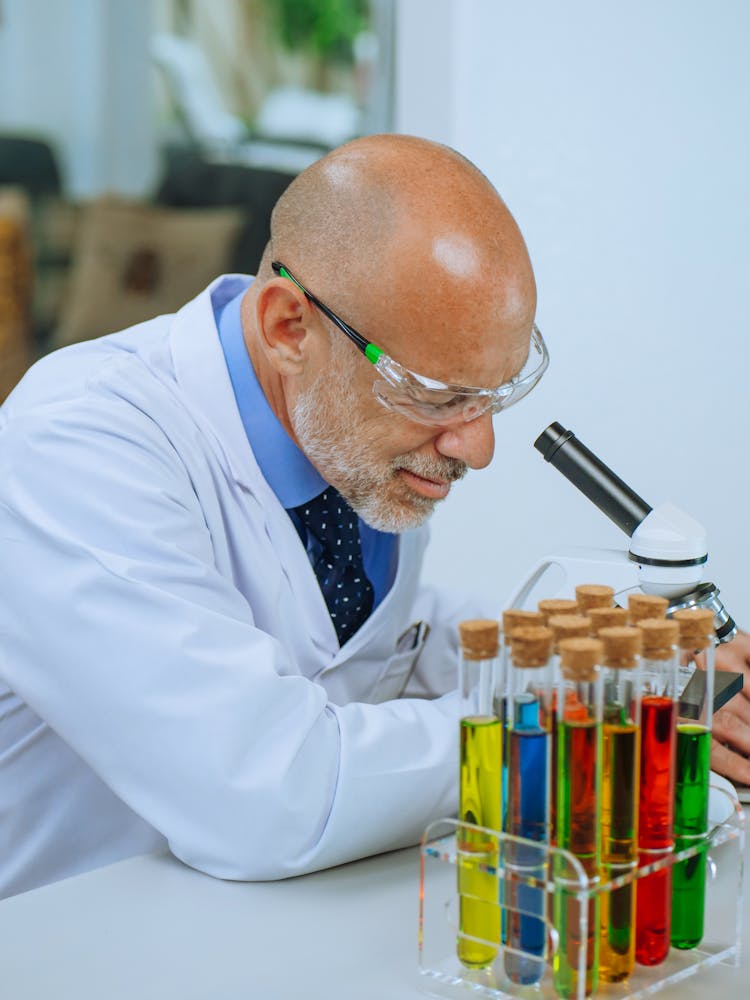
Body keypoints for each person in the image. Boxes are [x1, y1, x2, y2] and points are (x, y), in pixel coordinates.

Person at [0, 134, 747, 900]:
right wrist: (577, 719)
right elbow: (266, 793)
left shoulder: (342, 439)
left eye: (494, 393)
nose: (478, 446)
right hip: (64, 942)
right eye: (438, 394)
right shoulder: (80, 442)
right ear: (290, 326)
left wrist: (643, 665)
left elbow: (378, 638)